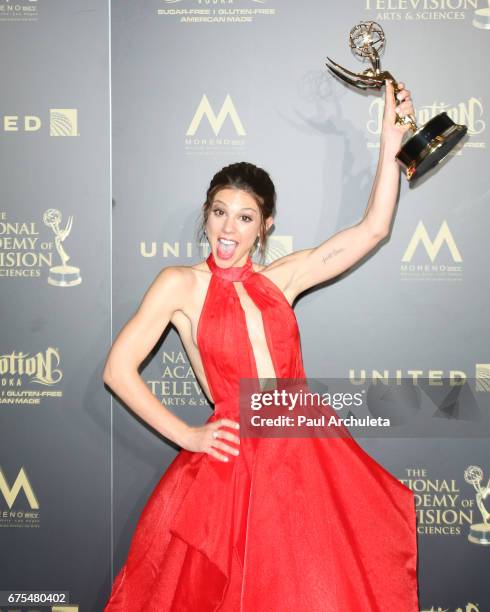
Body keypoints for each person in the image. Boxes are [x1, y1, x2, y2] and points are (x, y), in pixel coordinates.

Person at [103, 80, 419, 611]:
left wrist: (390, 147)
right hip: (234, 468)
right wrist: (187, 435)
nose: (228, 227)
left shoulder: (281, 280)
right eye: (219, 211)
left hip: (307, 455)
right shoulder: (180, 284)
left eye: (244, 217)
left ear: (264, 226)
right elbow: (118, 370)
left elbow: (373, 229)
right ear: (206, 215)